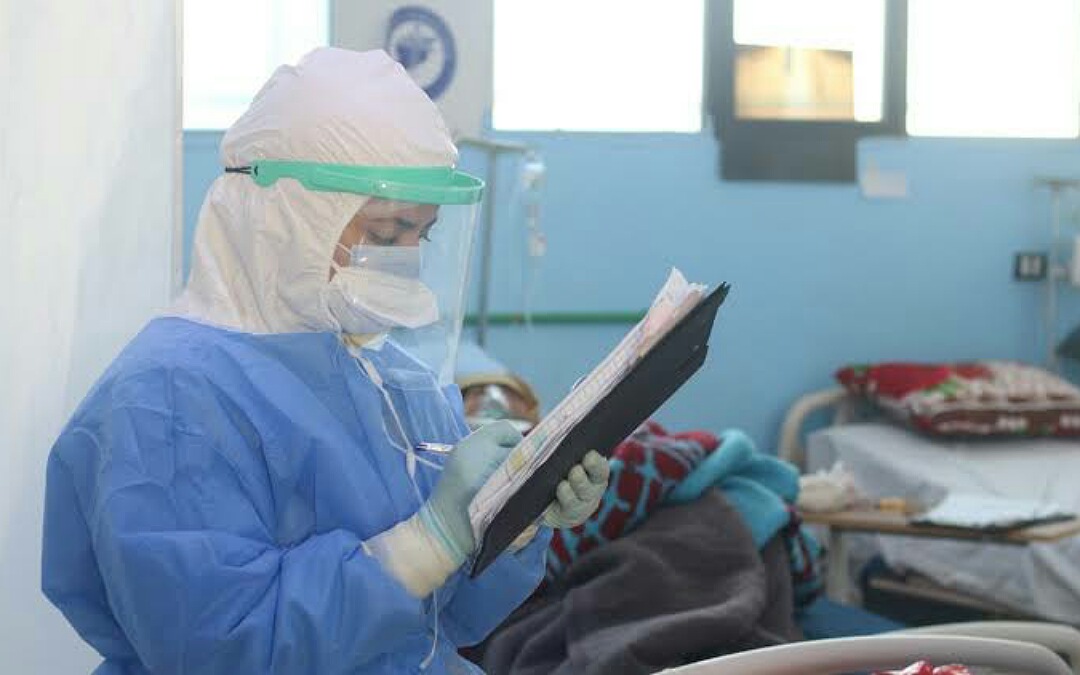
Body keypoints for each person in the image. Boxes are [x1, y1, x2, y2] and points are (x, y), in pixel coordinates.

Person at [41, 47, 609, 675]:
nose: (408, 259)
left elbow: (447, 622)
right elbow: (217, 648)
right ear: (286, 219)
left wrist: (510, 518)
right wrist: (426, 543)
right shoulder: (168, 399)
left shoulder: (393, 378)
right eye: (386, 232)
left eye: (421, 234)